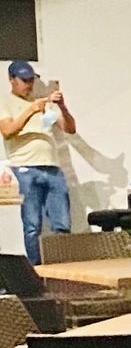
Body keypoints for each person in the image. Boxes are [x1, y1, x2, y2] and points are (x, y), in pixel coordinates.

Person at [1, 59, 77, 263]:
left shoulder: (42, 104)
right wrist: (32, 109)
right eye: (24, 80)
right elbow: (8, 131)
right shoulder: (6, 102)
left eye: (31, 80)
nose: (29, 84)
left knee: (62, 223)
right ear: (12, 80)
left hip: (52, 167)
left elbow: (69, 128)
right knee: (32, 224)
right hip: (24, 168)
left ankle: (63, 271)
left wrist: (61, 106)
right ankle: (37, 272)